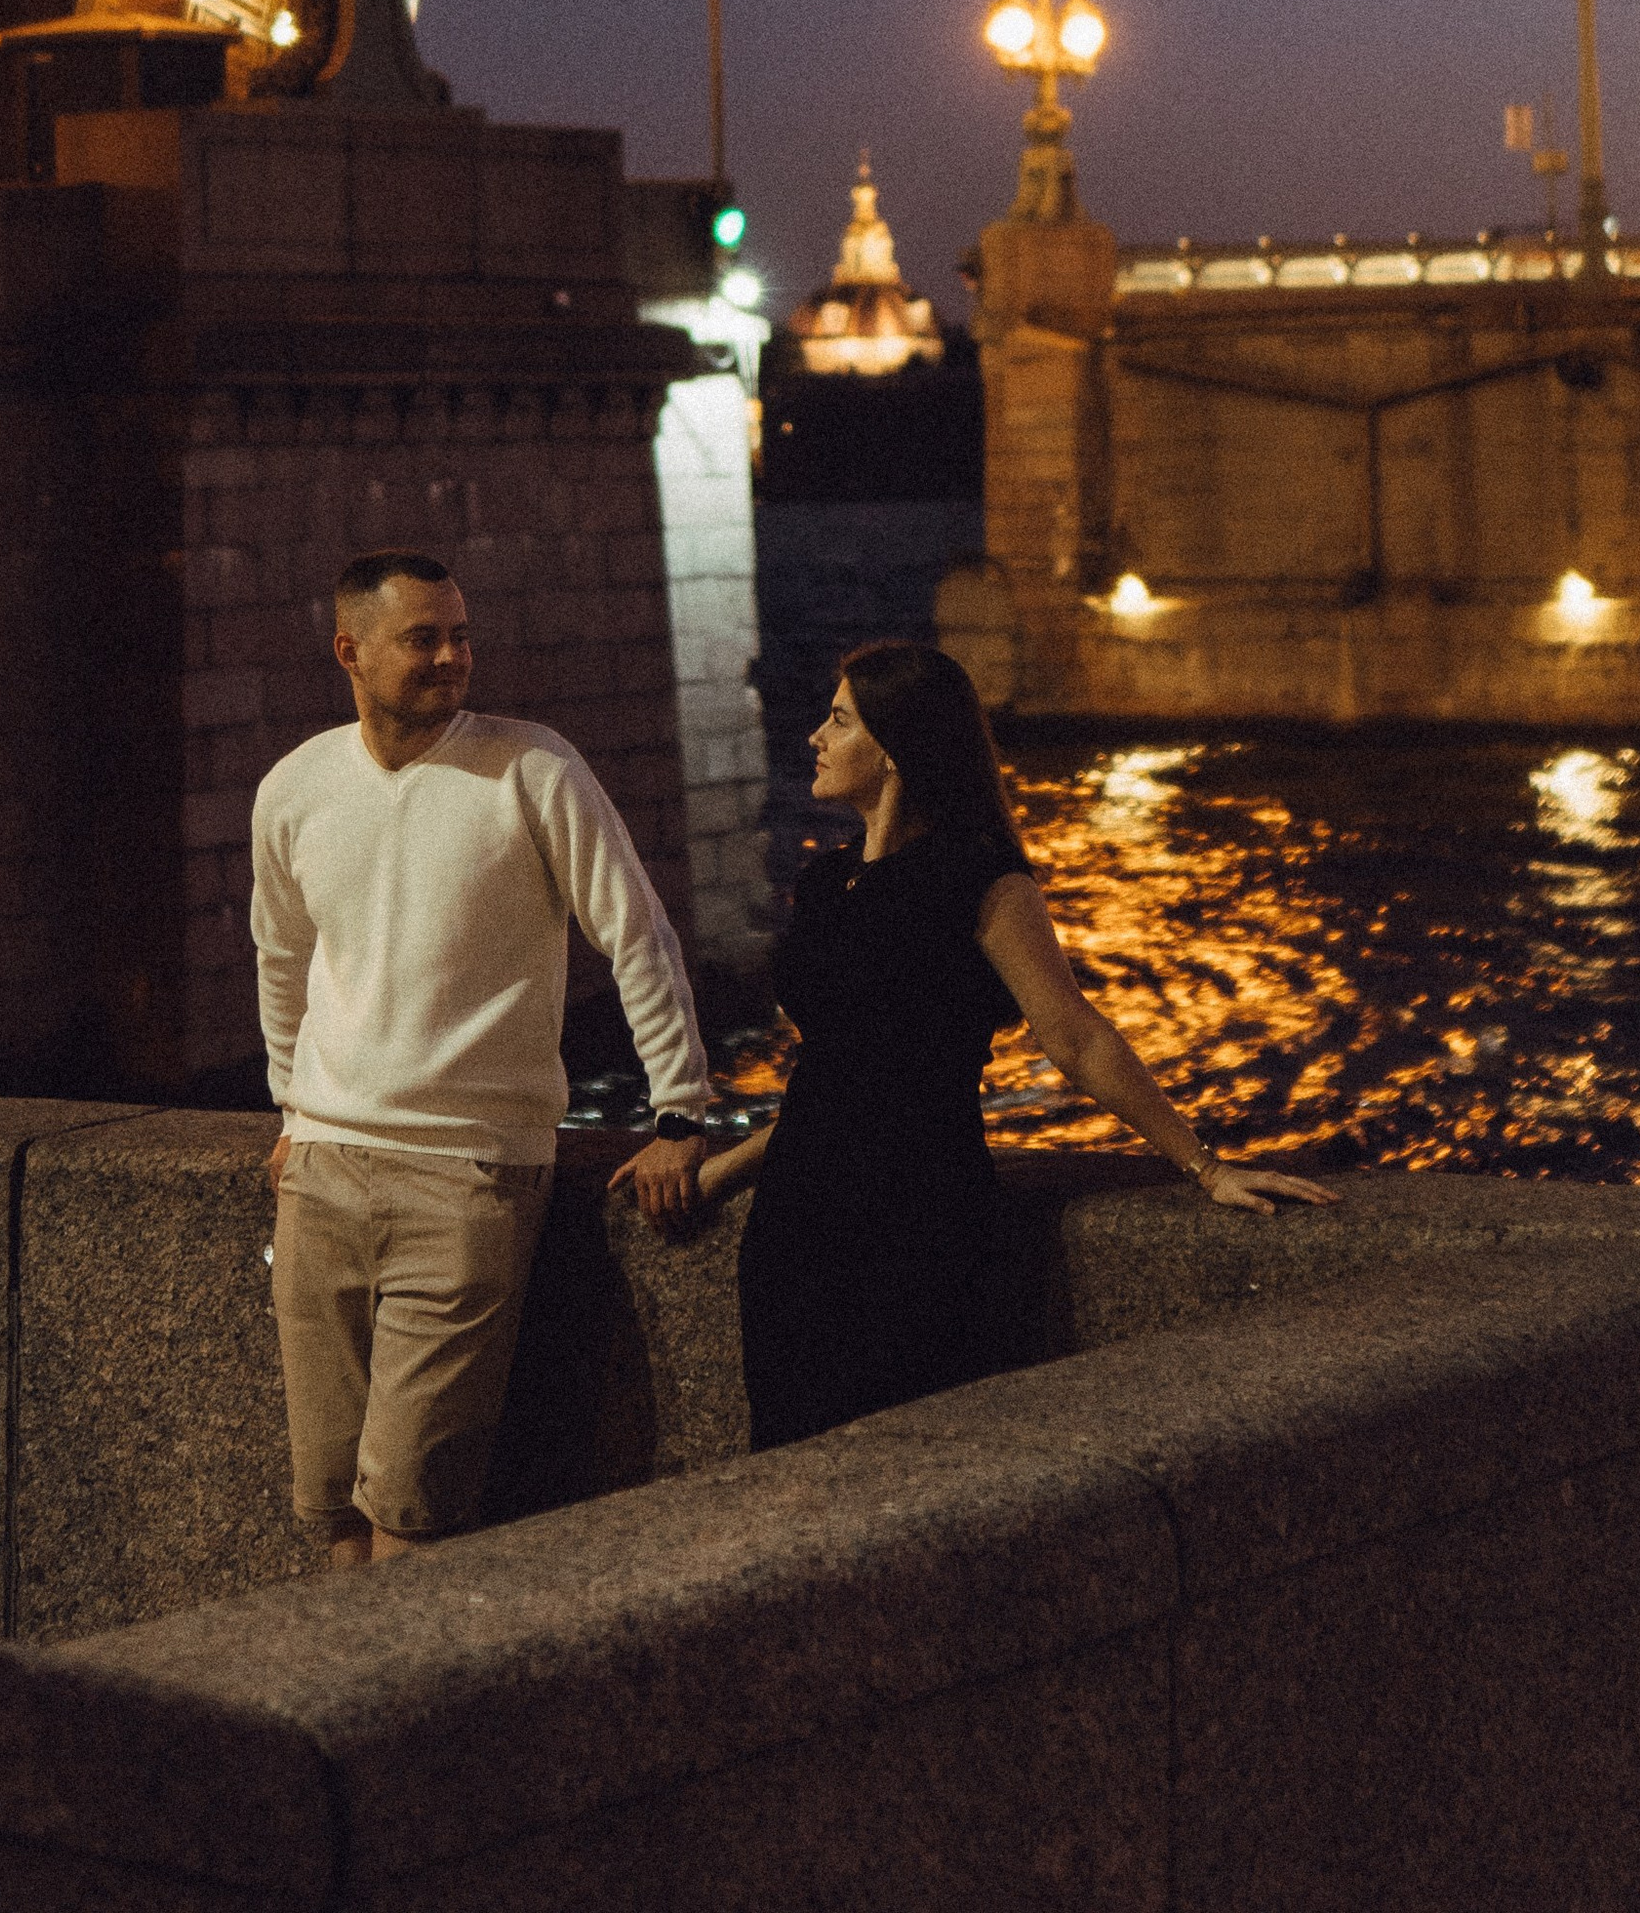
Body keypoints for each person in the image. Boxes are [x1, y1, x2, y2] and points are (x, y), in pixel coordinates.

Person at [677, 641, 1335, 1449]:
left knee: (903, 1470)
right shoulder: (826, 885)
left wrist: (1202, 1164)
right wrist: (719, 1173)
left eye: (839, 719)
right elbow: (836, 1085)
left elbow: (1075, 1036)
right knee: (787, 1460)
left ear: (893, 747)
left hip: (913, 1218)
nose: (814, 735)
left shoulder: (980, 881)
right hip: (795, 1231)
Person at [252, 549, 713, 1564]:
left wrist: (679, 1111)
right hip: (322, 1173)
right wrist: (293, 1110)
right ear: (351, 653)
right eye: (423, 638)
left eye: (461, 634)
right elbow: (281, 959)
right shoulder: (295, 789)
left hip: (470, 1175)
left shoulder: (534, 769)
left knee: (413, 1511)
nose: (453, 657)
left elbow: (636, 936)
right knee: (328, 1507)